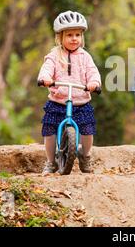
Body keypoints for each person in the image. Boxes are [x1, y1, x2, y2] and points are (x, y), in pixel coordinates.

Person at [37, 10, 101, 175]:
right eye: (70, 35)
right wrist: (45, 78)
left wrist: (94, 83)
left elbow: (93, 72)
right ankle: (51, 161)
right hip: (58, 100)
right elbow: (46, 69)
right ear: (60, 37)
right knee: (49, 130)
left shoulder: (85, 57)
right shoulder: (54, 55)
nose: (74, 39)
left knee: (87, 130)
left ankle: (85, 156)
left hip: (81, 101)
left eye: (78, 35)